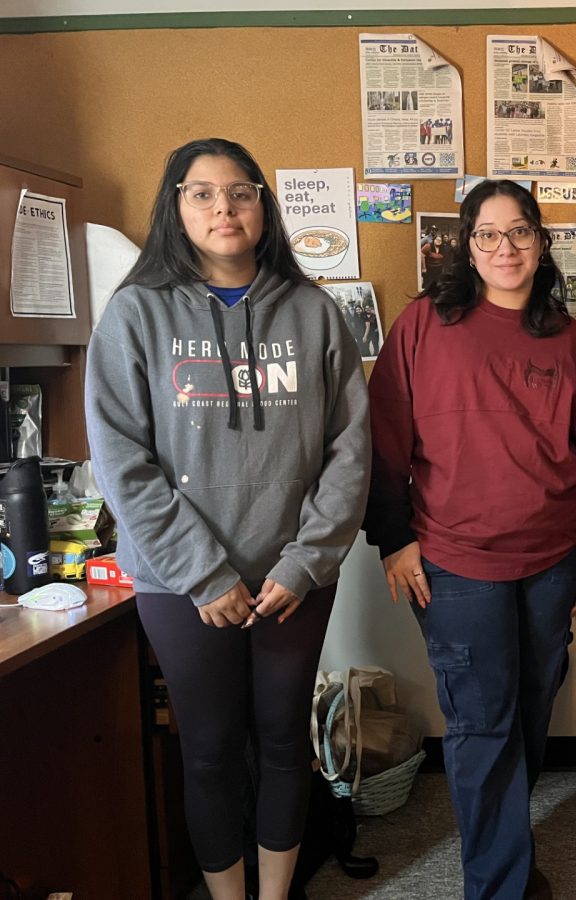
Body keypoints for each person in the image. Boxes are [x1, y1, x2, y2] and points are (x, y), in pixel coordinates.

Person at [84, 137, 370, 900]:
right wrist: (203, 574)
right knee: (208, 749)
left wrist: (304, 562)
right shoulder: (135, 314)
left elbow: (351, 450)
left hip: (291, 579)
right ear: (174, 207)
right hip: (182, 584)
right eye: (202, 192)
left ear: (262, 206)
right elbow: (121, 459)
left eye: (240, 191)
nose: (224, 207)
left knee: (283, 741)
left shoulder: (313, 312)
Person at [364, 179, 576, 900]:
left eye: (519, 232)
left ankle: (502, 848)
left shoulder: (568, 339)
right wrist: (392, 537)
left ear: (541, 243)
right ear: (466, 244)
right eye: (488, 233)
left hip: (553, 557)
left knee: (531, 706)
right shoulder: (423, 325)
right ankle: (499, 885)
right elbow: (383, 434)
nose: (504, 247)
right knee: (483, 722)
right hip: (453, 560)